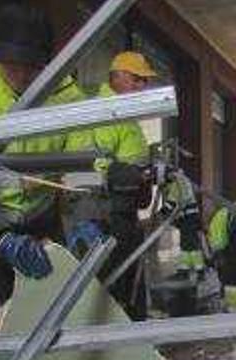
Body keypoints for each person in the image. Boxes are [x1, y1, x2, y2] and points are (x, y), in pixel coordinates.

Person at [0, 4, 91, 336]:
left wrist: (85, 217)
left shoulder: (68, 99)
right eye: (12, 66)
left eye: (32, 67)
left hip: (42, 217)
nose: (23, 76)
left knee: (55, 311)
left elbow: (84, 171)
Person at [65, 51, 161, 320]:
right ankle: (115, 341)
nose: (142, 86)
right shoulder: (103, 112)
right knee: (110, 282)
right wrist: (127, 174)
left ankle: (134, 333)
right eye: (137, 79)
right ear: (117, 77)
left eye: (145, 81)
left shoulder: (125, 116)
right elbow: (89, 166)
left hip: (123, 210)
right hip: (102, 211)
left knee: (129, 277)